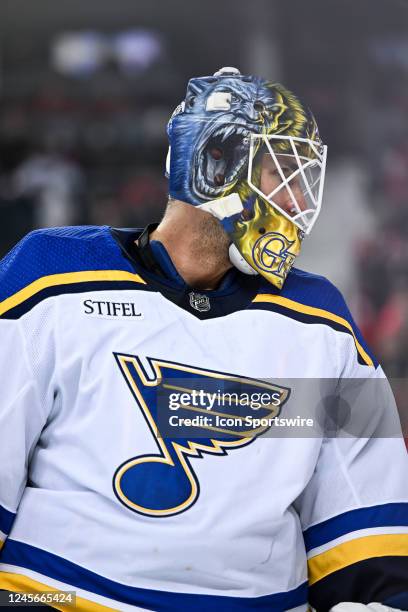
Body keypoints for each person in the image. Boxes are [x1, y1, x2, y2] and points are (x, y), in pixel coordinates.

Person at [0, 67, 407, 612]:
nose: (298, 198)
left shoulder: (323, 323)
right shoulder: (49, 274)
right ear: (216, 162)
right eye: (280, 170)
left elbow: (370, 544)